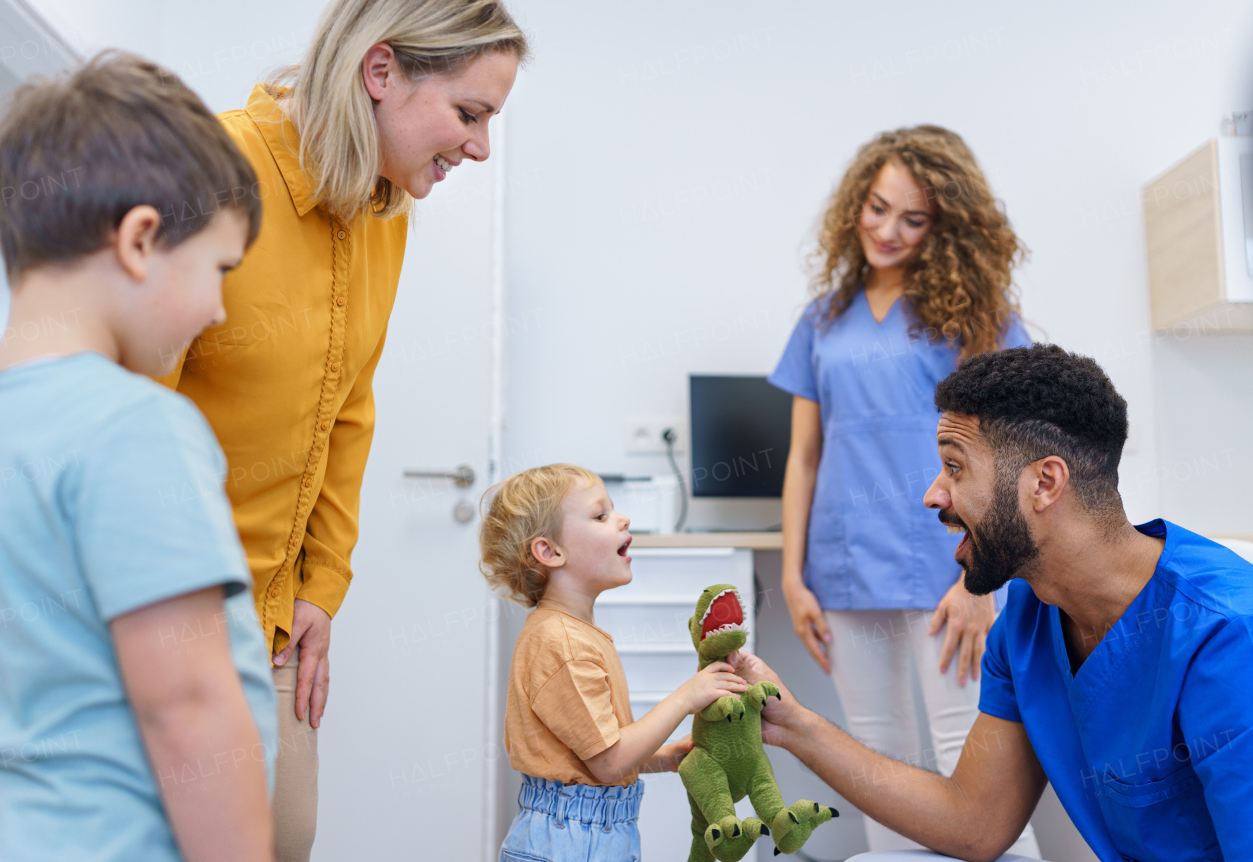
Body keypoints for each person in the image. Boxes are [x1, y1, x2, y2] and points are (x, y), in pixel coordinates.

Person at [154, 1, 528, 857]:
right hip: (172, 620)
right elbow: (129, 425)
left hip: (279, 623)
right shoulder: (210, 175)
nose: (480, 146)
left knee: (287, 841)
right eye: (469, 114)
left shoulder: (383, 213)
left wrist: (320, 587)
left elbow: (348, 407)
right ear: (382, 71)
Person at [736, 343, 1253, 860]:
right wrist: (796, 727)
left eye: (955, 468)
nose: (933, 495)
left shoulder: (1227, 636)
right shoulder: (1028, 620)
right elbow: (975, 822)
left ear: (1044, 483)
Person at [0, 52, 277, 861]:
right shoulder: (135, 427)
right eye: (218, 269)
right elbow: (187, 708)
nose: (217, 311)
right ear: (141, 239)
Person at [769, 125, 1038, 853]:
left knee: (969, 767)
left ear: (945, 227)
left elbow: (1013, 449)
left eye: (913, 218)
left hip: (950, 570)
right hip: (846, 565)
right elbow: (804, 457)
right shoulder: (822, 319)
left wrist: (983, 582)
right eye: (878, 208)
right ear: (857, 202)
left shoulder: (976, 316)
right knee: (877, 763)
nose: (888, 230)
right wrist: (793, 577)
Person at [479, 464, 750, 862]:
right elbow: (609, 763)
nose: (622, 519)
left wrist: (666, 756)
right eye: (600, 515)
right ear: (550, 552)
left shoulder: (575, 633)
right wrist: (686, 698)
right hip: (570, 845)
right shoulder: (562, 643)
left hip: (590, 835)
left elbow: (591, 755)